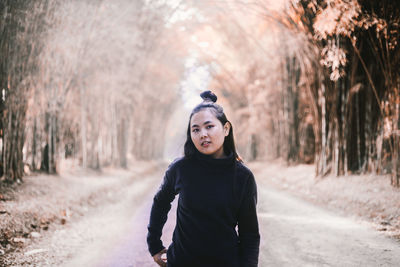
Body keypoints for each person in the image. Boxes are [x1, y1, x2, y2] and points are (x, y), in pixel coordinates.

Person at [147, 90, 260, 267]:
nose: (202, 134)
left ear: (226, 128)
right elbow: (160, 202)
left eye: (209, 126)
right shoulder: (181, 169)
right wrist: (154, 245)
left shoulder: (242, 177)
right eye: (196, 129)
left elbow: (250, 234)